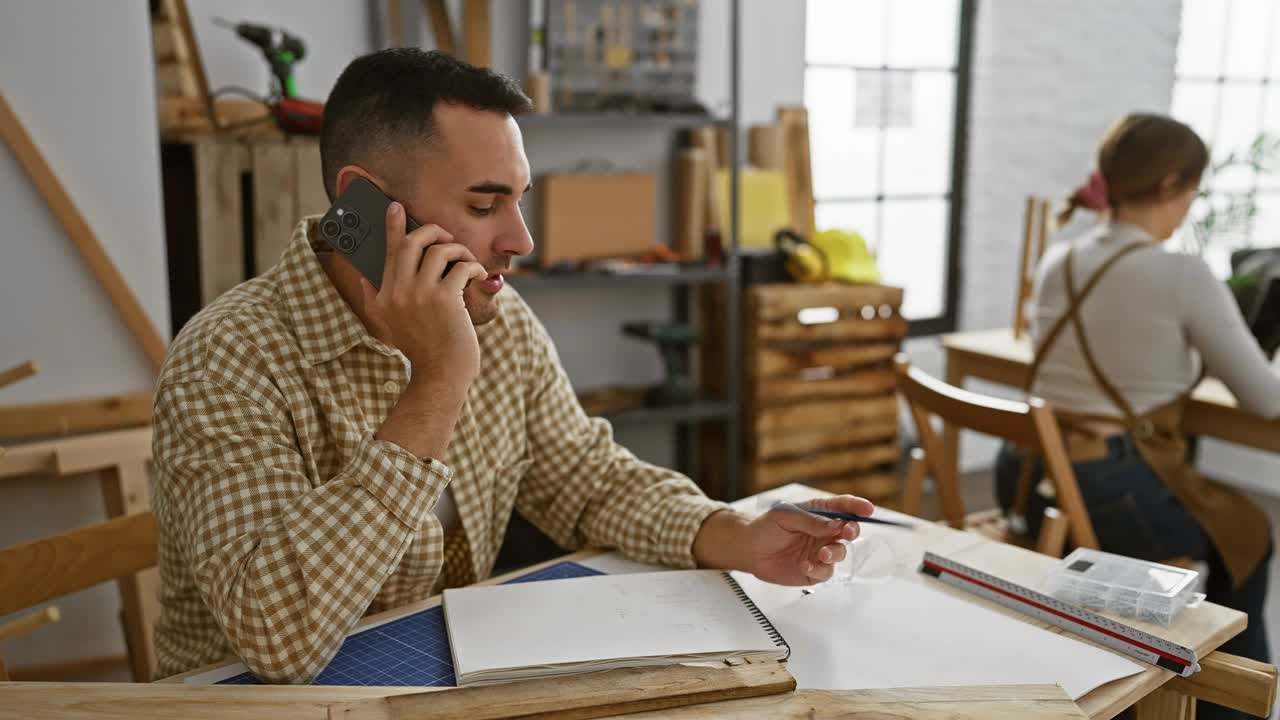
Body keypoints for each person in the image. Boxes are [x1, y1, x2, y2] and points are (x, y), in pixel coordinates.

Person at [151, 48, 873, 684]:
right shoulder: (229, 359)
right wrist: (437, 381)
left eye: (518, 200)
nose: (521, 239)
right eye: (484, 204)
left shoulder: (499, 319)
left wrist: (732, 535)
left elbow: (586, 481)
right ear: (364, 207)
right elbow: (277, 639)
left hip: (426, 673)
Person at [995, 113, 1280, 720]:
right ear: (1169, 184)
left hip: (1025, 475)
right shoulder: (1181, 274)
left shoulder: (1059, 259)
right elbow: (1267, 399)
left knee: (1228, 532)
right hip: (1109, 492)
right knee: (1249, 543)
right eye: (1192, 191)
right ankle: (1224, 706)